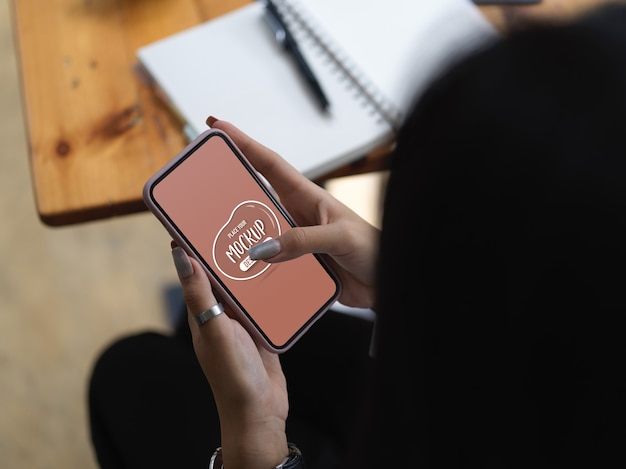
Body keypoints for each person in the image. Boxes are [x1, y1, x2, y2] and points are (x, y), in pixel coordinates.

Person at [89, 4, 626, 468]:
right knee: (231, 333)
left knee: (127, 371)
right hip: (467, 396)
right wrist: (402, 291)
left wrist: (256, 445)